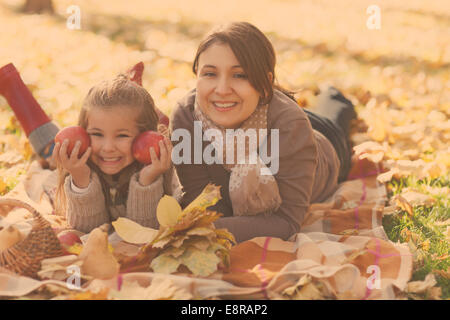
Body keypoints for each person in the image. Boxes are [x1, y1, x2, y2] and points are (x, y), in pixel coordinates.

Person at [170, 22, 356, 243]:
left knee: (336, 114)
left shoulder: (291, 125)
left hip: (323, 143)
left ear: (266, 83)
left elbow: (285, 222)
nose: (221, 89)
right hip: (251, 107)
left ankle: (334, 94)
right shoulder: (186, 116)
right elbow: (201, 201)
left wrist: (200, 230)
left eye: (239, 75)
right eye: (210, 73)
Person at [51, 74, 176, 233]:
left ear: (145, 136)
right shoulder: (79, 161)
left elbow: (142, 233)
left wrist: (147, 181)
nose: (108, 147)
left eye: (122, 135)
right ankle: (129, 81)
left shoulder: (165, 167)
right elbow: (86, 233)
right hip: (73, 158)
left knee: (163, 124)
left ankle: (132, 85)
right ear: (82, 132)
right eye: (97, 134)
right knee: (48, 148)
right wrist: (81, 179)